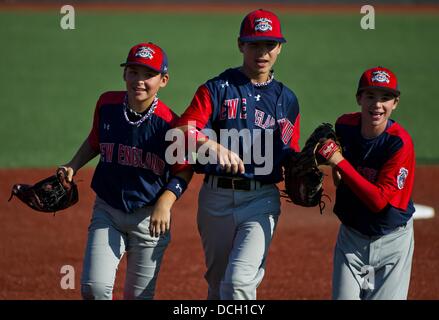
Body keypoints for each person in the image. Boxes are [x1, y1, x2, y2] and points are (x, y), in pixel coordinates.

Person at [175, 9, 300, 300]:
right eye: (255, 44)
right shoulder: (217, 88)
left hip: (261, 200)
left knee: (239, 284)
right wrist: (214, 147)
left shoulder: (287, 99)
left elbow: (289, 152)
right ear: (240, 44)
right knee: (218, 286)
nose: (262, 52)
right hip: (215, 200)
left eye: (269, 45)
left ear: (279, 48)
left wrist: (306, 166)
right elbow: (181, 130)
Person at [59, 42, 192, 300]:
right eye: (133, 72)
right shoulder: (107, 105)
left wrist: (166, 202)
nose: (139, 81)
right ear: (124, 74)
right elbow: (95, 141)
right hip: (107, 210)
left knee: (138, 297)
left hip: (149, 218)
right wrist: (72, 165)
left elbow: (184, 170)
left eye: (148, 74)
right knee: (93, 289)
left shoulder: (170, 124)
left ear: (163, 80)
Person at [323, 66, 415, 299]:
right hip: (352, 240)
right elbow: (337, 161)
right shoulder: (344, 126)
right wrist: (332, 166)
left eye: (385, 98)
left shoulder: (399, 144)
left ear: (395, 103)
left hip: (392, 243)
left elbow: (378, 202)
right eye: (370, 96)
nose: (377, 104)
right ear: (358, 98)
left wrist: (339, 162)